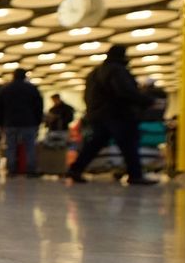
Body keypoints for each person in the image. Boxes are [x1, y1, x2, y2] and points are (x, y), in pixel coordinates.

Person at [67, 45, 156, 185]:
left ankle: (76, 169)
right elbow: (124, 91)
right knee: (129, 144)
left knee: (95, 144)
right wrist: (146, 101)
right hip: (117, 113)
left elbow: (87, 95)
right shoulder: (117, 70)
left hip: (98, 114)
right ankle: (135, 174)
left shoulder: (95, 73)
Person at [0, 68, 44, 176]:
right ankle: (30, 169)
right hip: (29, 122)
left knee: (11, 146)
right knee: (30, 146)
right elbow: (38, 106)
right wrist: (38, 121)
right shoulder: (32, 89)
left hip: (10, 122)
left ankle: (11, 169)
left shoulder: (5, 89)